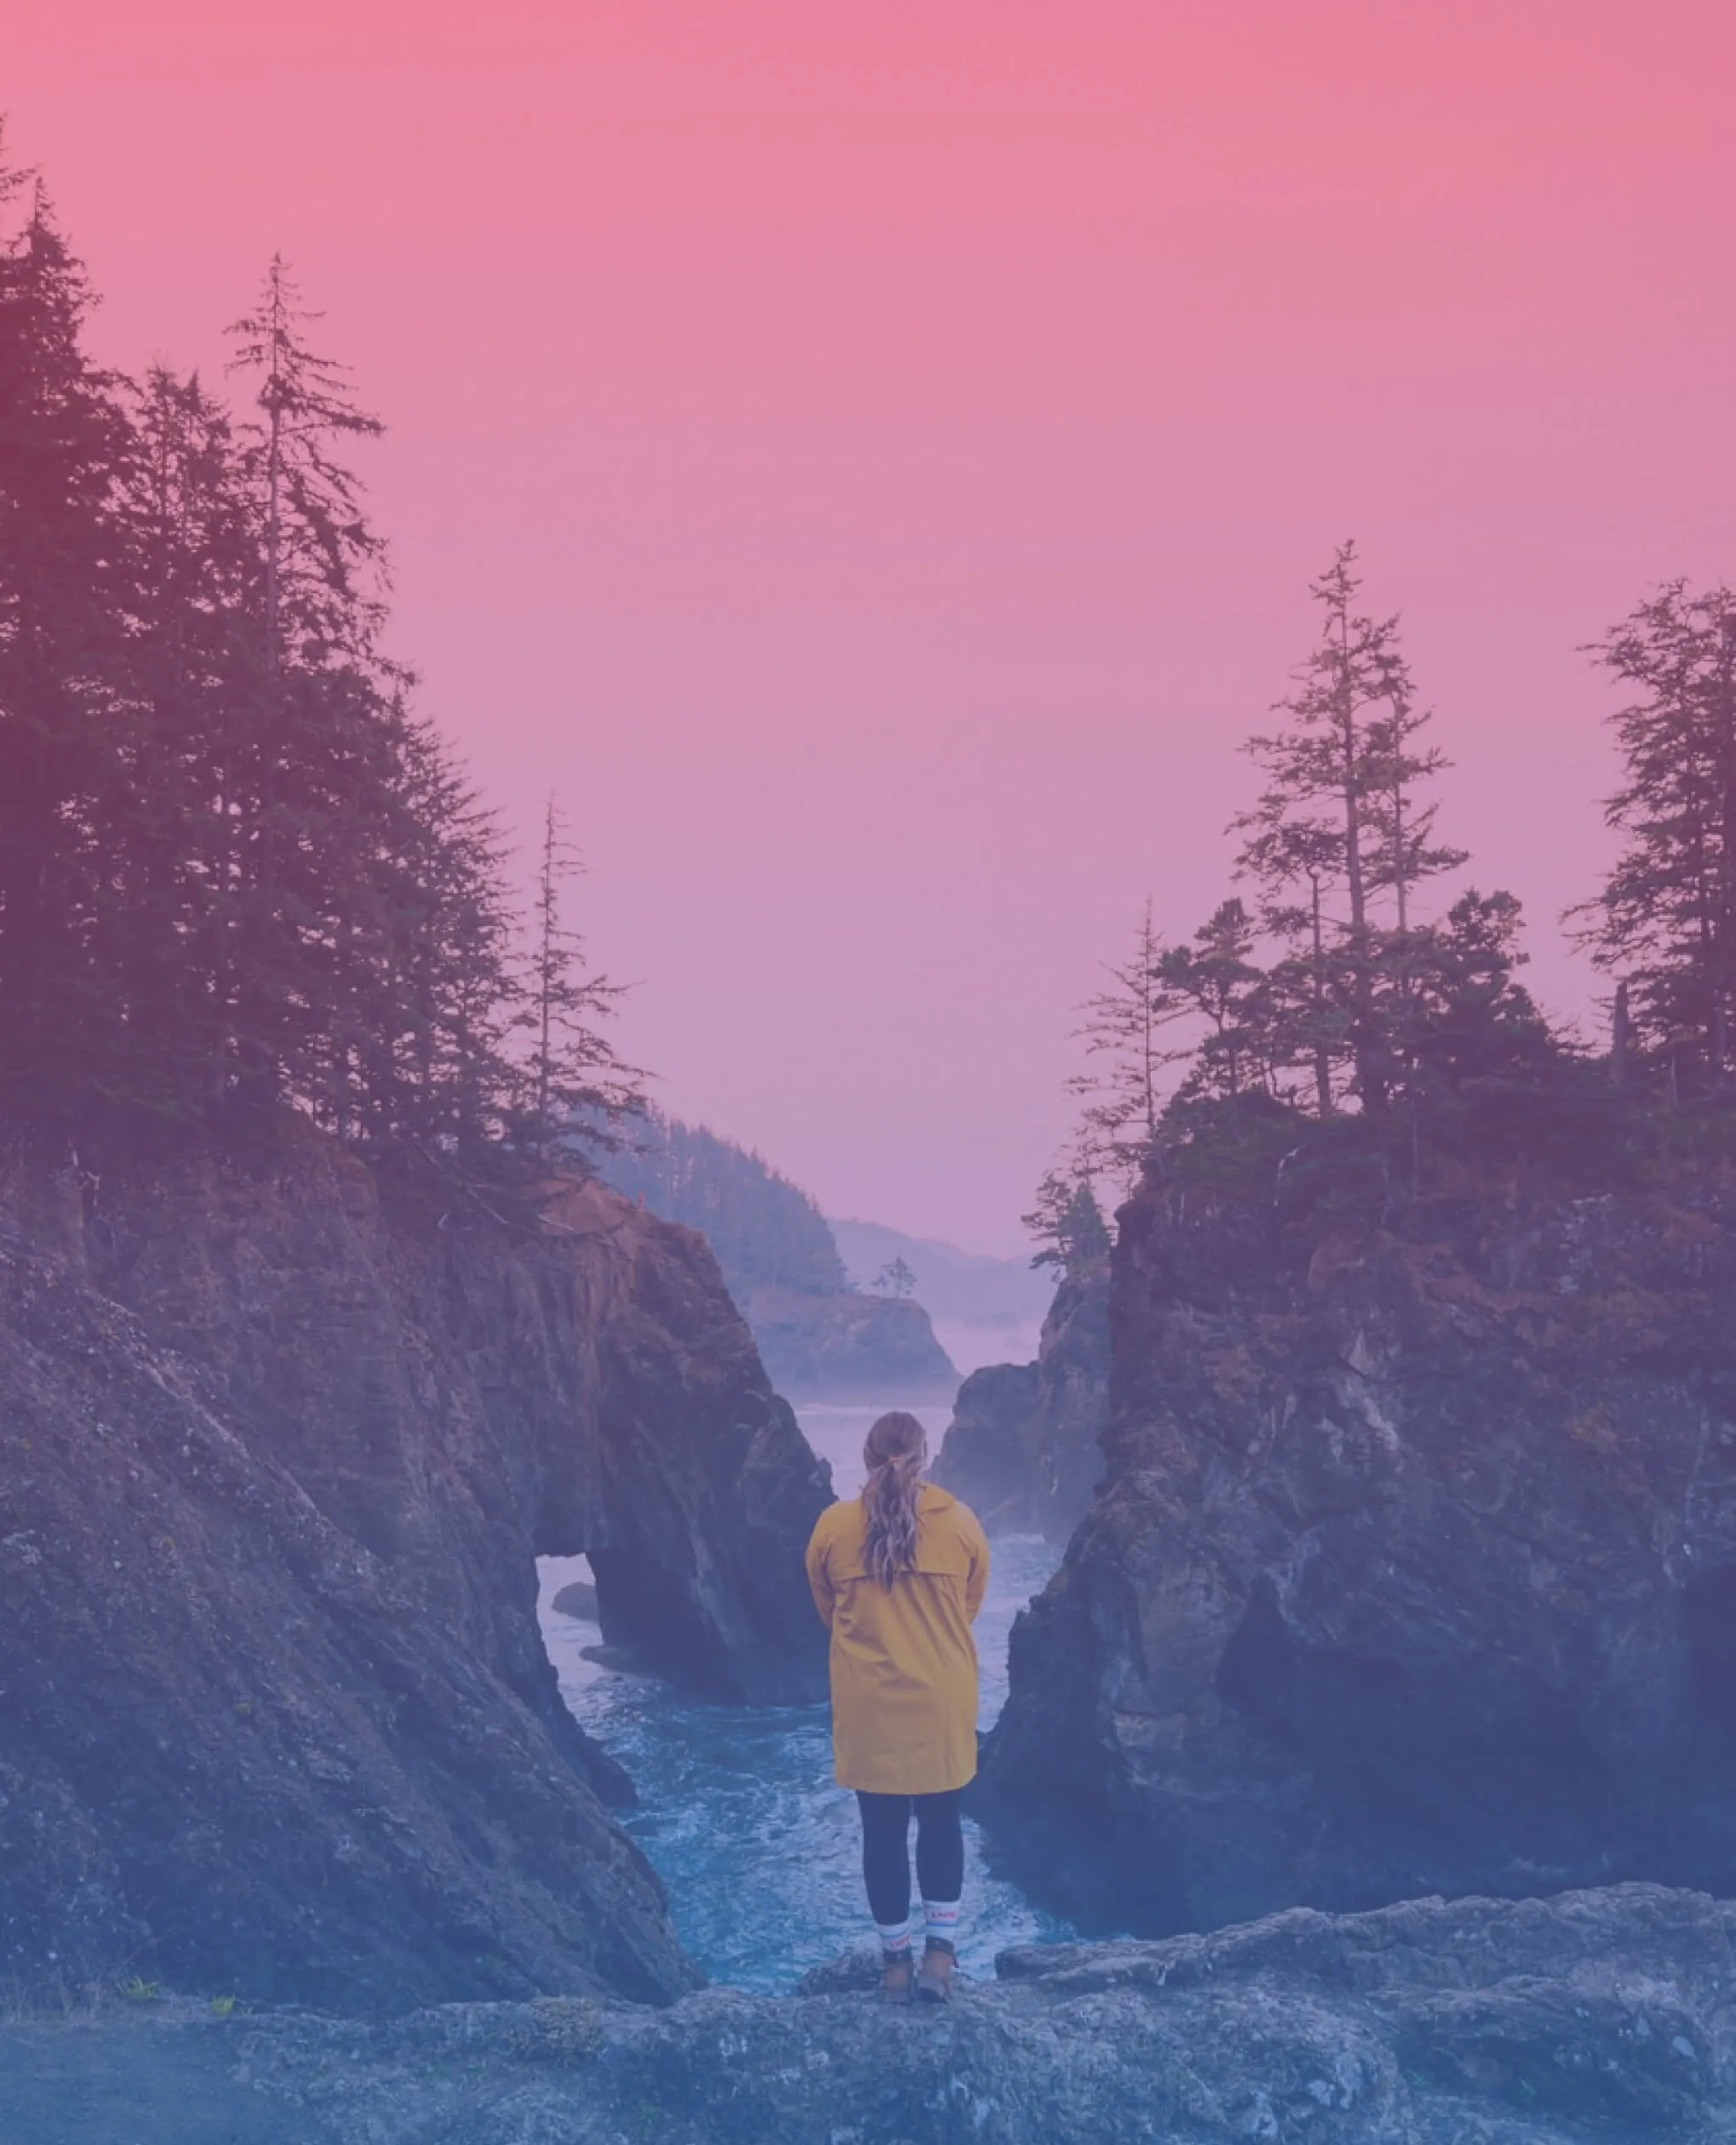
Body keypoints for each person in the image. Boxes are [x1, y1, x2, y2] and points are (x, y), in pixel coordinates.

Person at [803, 1410, 991, 2005]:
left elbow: (826, 1609)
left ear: (865, 1455)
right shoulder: (960, 1523)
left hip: (870, 1704)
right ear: (924, 1454)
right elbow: (971, 1604)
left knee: (881, 1834)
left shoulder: (834, 1526)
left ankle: (894, 1964)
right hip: (942, 1698)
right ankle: (941, 1958)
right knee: (941, 1824)